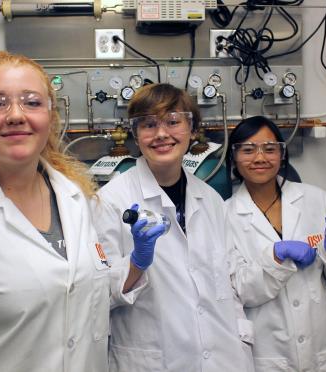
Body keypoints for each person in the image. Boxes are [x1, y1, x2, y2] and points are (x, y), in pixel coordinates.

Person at [0, 50, 150, 372]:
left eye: (31, 102)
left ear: (50, 116)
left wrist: (137, 264)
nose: (15, 115)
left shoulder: (76, 200)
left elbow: (82, 299)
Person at [93, 83, 255, 372]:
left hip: (223, 358)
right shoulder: (110, 201)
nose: (161, 134)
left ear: (192, 129)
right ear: (135, 134)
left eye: (173, 121)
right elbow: (97, 295)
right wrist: (136, 264)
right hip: (153, 359)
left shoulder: (211, 200)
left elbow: (229, 285)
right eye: (148, 124)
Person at [225, 115, 326, 372]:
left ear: (282, 154)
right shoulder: (224, 215)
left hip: (324, 344)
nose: (260, 158)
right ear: (234, 158)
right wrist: (275, 257)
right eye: (248, 150)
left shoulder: (317, 200)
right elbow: (238, 290)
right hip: (268, 351)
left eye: (270, 149)